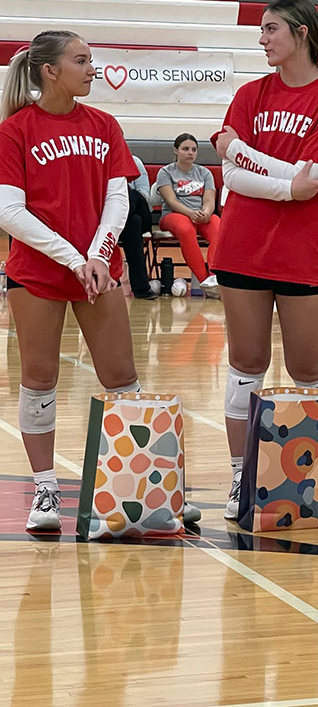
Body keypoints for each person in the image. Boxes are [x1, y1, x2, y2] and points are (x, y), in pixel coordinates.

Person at [0, 31, 198, 530]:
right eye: (82, 60)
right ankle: (45, 492)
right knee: (39, 380)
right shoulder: (15, 130)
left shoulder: (105, 124)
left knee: (122, 378)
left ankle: (142, 485)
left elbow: (118, 199)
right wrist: (74, 259)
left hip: (97, 270)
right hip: (40, 273)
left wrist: (98, 256)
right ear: (50, 70)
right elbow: (8, 211)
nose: (92, 69)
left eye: (91, 60)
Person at [211, 0, 318, 517]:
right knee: (246, 364)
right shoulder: (249, 93)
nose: (262, 39)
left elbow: (312, 183)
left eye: (270, 29)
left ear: (301, 33)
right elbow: (234, 179)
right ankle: (241, 479)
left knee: (308, 366)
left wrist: (242, 152)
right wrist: (285, 181)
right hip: (242, 246)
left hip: (304, 251)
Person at [155, 133, 221, 298]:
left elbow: (209, 198)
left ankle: (215, 278)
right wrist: (190, 213)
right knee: (185, 229)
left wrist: (206, 212)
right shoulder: (165, 172)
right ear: (176, 150)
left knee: (219, 227)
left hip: (200, 215)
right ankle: (205, 281)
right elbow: (171, 200)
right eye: (185, 149)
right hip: (174, 215)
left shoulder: (204, 173)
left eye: (193, 149)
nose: (190, 153)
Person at [119, 154, 159, 300]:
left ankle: (124, 209)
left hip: (139, 211)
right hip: (114, 219)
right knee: (133, 223)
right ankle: (141, 288)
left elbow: (145, 196)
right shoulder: (99, 161)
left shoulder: (134, 162)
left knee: (133, 194)